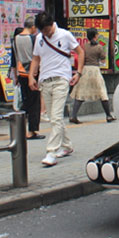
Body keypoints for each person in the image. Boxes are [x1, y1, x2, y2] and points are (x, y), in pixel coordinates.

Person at [28, 13, 85, 167]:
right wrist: (31, 76)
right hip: (45, 81)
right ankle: (66, 146)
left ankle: (51, 152)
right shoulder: (39, 38)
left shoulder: (65, 35)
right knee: (55, 117)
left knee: (56, 117)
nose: (46, 33)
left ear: (52, 23)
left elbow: (80, 51)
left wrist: (78, 73)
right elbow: (36, 58)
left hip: (61, 80)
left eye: (47, 30)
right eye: (43, 31)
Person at [69, 28, 116, 124]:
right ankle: (108, 115)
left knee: (80, 93)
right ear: (95, 35)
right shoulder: (99, 47)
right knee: (102, 93)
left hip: (85, 70)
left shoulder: (84, 46)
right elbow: (103, 59)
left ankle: (73, 115)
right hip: (95, 70)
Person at [14, 17, 44, 140]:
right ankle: (32, 130)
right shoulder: (33, 38)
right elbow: (37, 56)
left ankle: (23, 128)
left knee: (26, 101)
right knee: (34, 102)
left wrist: (16, 74)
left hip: (21, 73)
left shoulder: (16, 38)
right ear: (32, 27)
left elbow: (16, 56)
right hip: (33, 73)